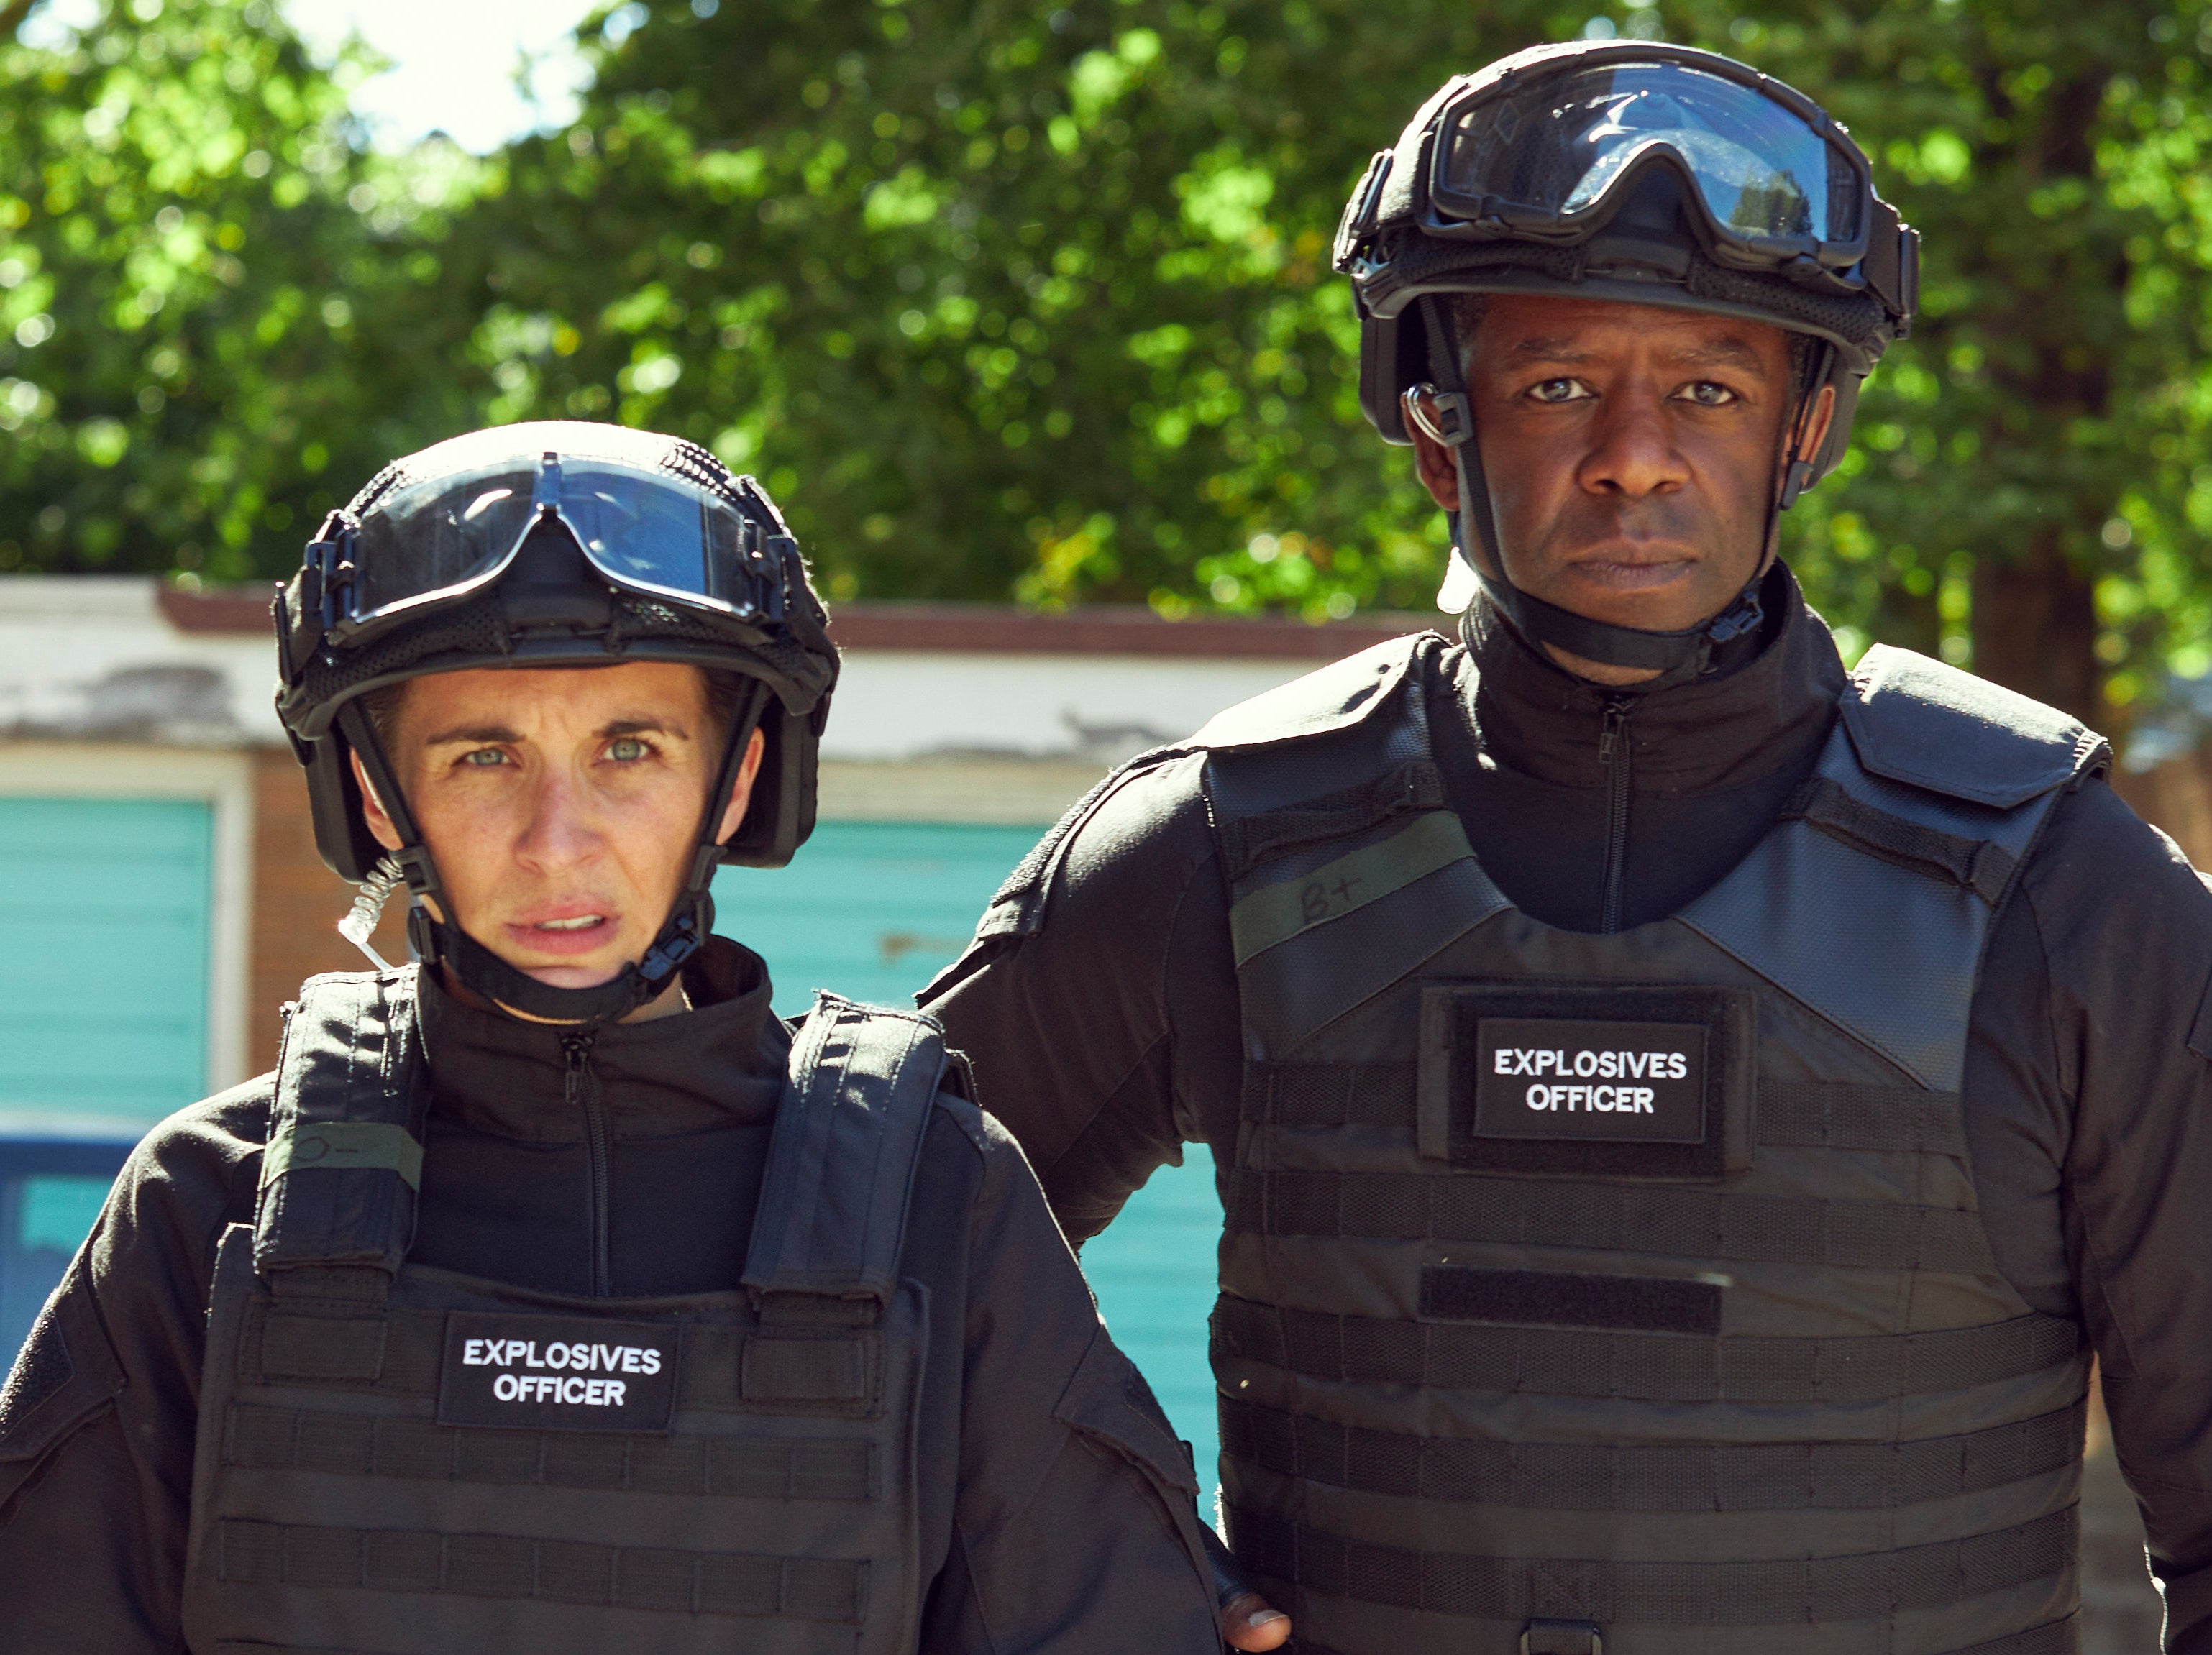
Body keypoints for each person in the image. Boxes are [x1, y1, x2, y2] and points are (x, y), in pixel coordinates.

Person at [924, 40, 2212, 1655]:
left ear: (1800, 430)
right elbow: (860, 1283)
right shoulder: (1220, 842)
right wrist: (1119, 1570)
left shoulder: (2059, 888)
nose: (1632, 452)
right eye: (1552, 384)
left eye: (1706, 387)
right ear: (1432, 428)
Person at [0, 422, 1227, 1654]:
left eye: (627, 750)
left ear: (735, 779)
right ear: (381, 795)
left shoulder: (934, 1198)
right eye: (486, 755)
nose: (557, 841)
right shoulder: (213, 1201)